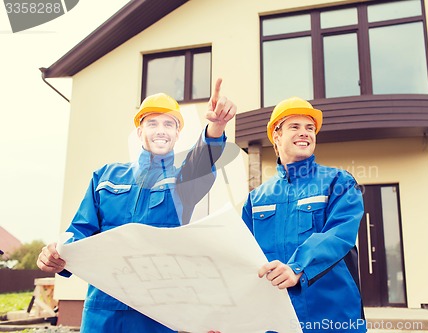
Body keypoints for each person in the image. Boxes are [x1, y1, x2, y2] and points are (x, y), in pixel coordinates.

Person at [37, 78, 236, 333]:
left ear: (177, 135)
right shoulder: (105, 177)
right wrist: (56, 255)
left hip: (157, 313)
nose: (160, 130)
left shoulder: (182, 182)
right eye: (152, 123)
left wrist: (216, 126)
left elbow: (201, 162)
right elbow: (80, 231)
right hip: (103, 309)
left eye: (169, 124)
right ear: (140, 131)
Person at [242, 97, 366, 333]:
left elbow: (339, 234)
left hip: (333, 317)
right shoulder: (256, 199)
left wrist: (297, 266)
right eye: (295, 127)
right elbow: (241, 256)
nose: (305, 133)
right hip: (275, 319)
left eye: (310, 128)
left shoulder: (338, 182)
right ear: (276, 136)